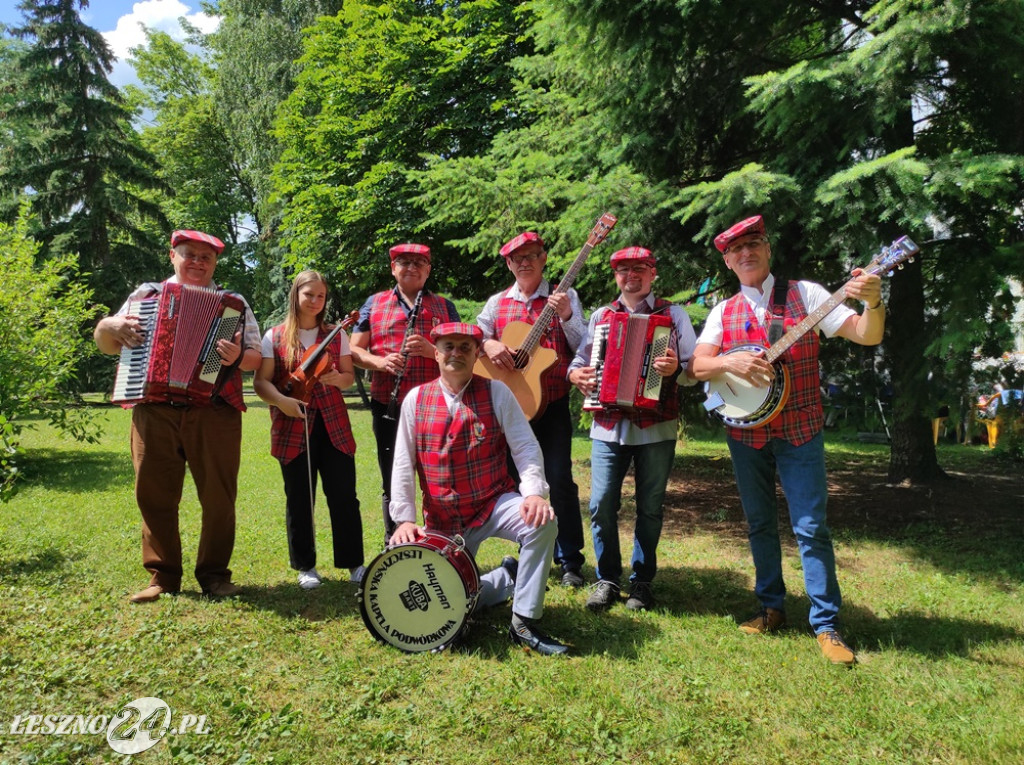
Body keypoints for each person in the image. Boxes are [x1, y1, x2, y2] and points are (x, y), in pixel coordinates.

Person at [687, 215, 886, 666]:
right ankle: (771, 607)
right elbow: (696, 367)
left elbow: (866, 334)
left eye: (753, 243)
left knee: (811, 528)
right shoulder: (723, 311)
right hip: (746, 435)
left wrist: (873, 302)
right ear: (728, 261)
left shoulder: (807, 294)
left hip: (800, 430)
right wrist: (729, 364)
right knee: (759, 524)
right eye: (736, 250)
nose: (746, 253)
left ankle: (827, 625)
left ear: (768, 248)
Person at [93, 229, 262, 603]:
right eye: (190, 254)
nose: (198, 262)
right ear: (173, 256)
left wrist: (237, 357)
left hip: (214, 411)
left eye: (206, 257)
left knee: (219, 497)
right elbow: (107, 344)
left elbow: (256, 358)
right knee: (154, 493)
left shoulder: (232, 304)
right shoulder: (146, 296)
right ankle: (162, 576)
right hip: (154, 409)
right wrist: (107, 326)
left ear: (215, 263)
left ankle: (214, 576)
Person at [389, 322, 569, 655]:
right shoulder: (416, 399)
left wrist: (533, 493)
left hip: (492, 503)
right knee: (446, 599)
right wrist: (404, 520)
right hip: (443, 521)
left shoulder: (497, 392)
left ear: (476, 355)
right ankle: (505, 578)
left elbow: (525, 446)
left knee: (542, 523)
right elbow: (402, 462)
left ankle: (524, 621)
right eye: (448, 347)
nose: (456, 353)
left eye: (465, 348)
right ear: (436, 353)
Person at [568, 247, 697, 611]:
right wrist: (576, 375)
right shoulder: (602, 316)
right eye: (623, 270)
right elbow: (580, 360)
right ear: (616, 276)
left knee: (650, 508)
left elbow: (693, 369)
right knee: (601, 504)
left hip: (657, 426)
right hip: (608, 426)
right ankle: (607, 579)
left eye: (640, 268)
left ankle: (642, 582)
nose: (631, 275)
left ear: (653, 273)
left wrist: (675, 370)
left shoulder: (673, 315)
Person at [477, 231, 587, 587]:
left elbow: (583, 345)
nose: (524, 263)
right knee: (516, 483)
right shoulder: (497, 303)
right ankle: (530, 549)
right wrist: (488, 344)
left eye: (531, 256)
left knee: (559, 480)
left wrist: (567, 315)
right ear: (509, 264)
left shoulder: (564, 297)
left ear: (543, 259)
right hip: (509, 410)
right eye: (517, 258)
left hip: (551, 406)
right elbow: (473, 335)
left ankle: (569, 560)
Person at [252, 271, 364, 590]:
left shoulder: (336, 334)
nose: (315, 301)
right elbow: (261, 381)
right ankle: (306, 566)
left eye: (321, 296)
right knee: (300, 498)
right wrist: (281, 401)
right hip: (292, 423)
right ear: (296, 295)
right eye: (309, 295)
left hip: (333, 425)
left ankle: (353, 563)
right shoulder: (275, 336)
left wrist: (338, 379)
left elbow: (348, 376)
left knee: (344, 496)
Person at [350, 244, 460, 545]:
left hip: (435, 406)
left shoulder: (445, 307)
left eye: (419, 262)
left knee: (440, 478)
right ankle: (395, 543)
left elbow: (462, 355)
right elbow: (354, 349)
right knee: (393, 477)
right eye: (404, 262)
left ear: (428, 270)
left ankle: (441, 542)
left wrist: (432, 351)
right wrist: (380, 362)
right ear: (393, 268)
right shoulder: (373, 304)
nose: (411, 267)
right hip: (388, 403)